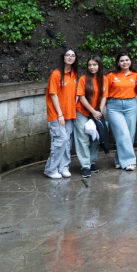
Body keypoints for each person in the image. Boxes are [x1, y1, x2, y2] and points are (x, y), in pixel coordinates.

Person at [44, 48, 79, 179]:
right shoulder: (56, 74)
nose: (70, 57)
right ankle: (51, 169)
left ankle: (63, 167)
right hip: (57, 114)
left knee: (67, 141)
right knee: (60, 140)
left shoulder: (74, 74)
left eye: (72, 55)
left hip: (69, 113)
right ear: (63, 57)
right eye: (67, 55)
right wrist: (59, 114)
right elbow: (53, 95)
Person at [102, 51, 137, 171]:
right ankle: (129, 162)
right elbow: (105, 93)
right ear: (118, 63)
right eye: (122, 60)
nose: (125, 62)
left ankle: (119, 159)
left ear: (130, 61)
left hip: (131, 105)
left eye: (127, 60)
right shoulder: (111, 76)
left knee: (130, 135)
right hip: (114, 106)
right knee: (123, 133)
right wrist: (100, 109)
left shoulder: (135, 75)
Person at [74, 55, 106, 179]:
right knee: (83, 139)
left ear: (99, 65)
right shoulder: (83, 79)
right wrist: (93, 111)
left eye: (94, 65)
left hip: (96, 112)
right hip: (82, 112)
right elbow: (81, 98)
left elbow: (104, 97)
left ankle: (92, 163)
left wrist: (99, 112)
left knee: (95, 137)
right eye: (89, 65)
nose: (92, 67)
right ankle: (85, 166)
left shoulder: (104, 79)